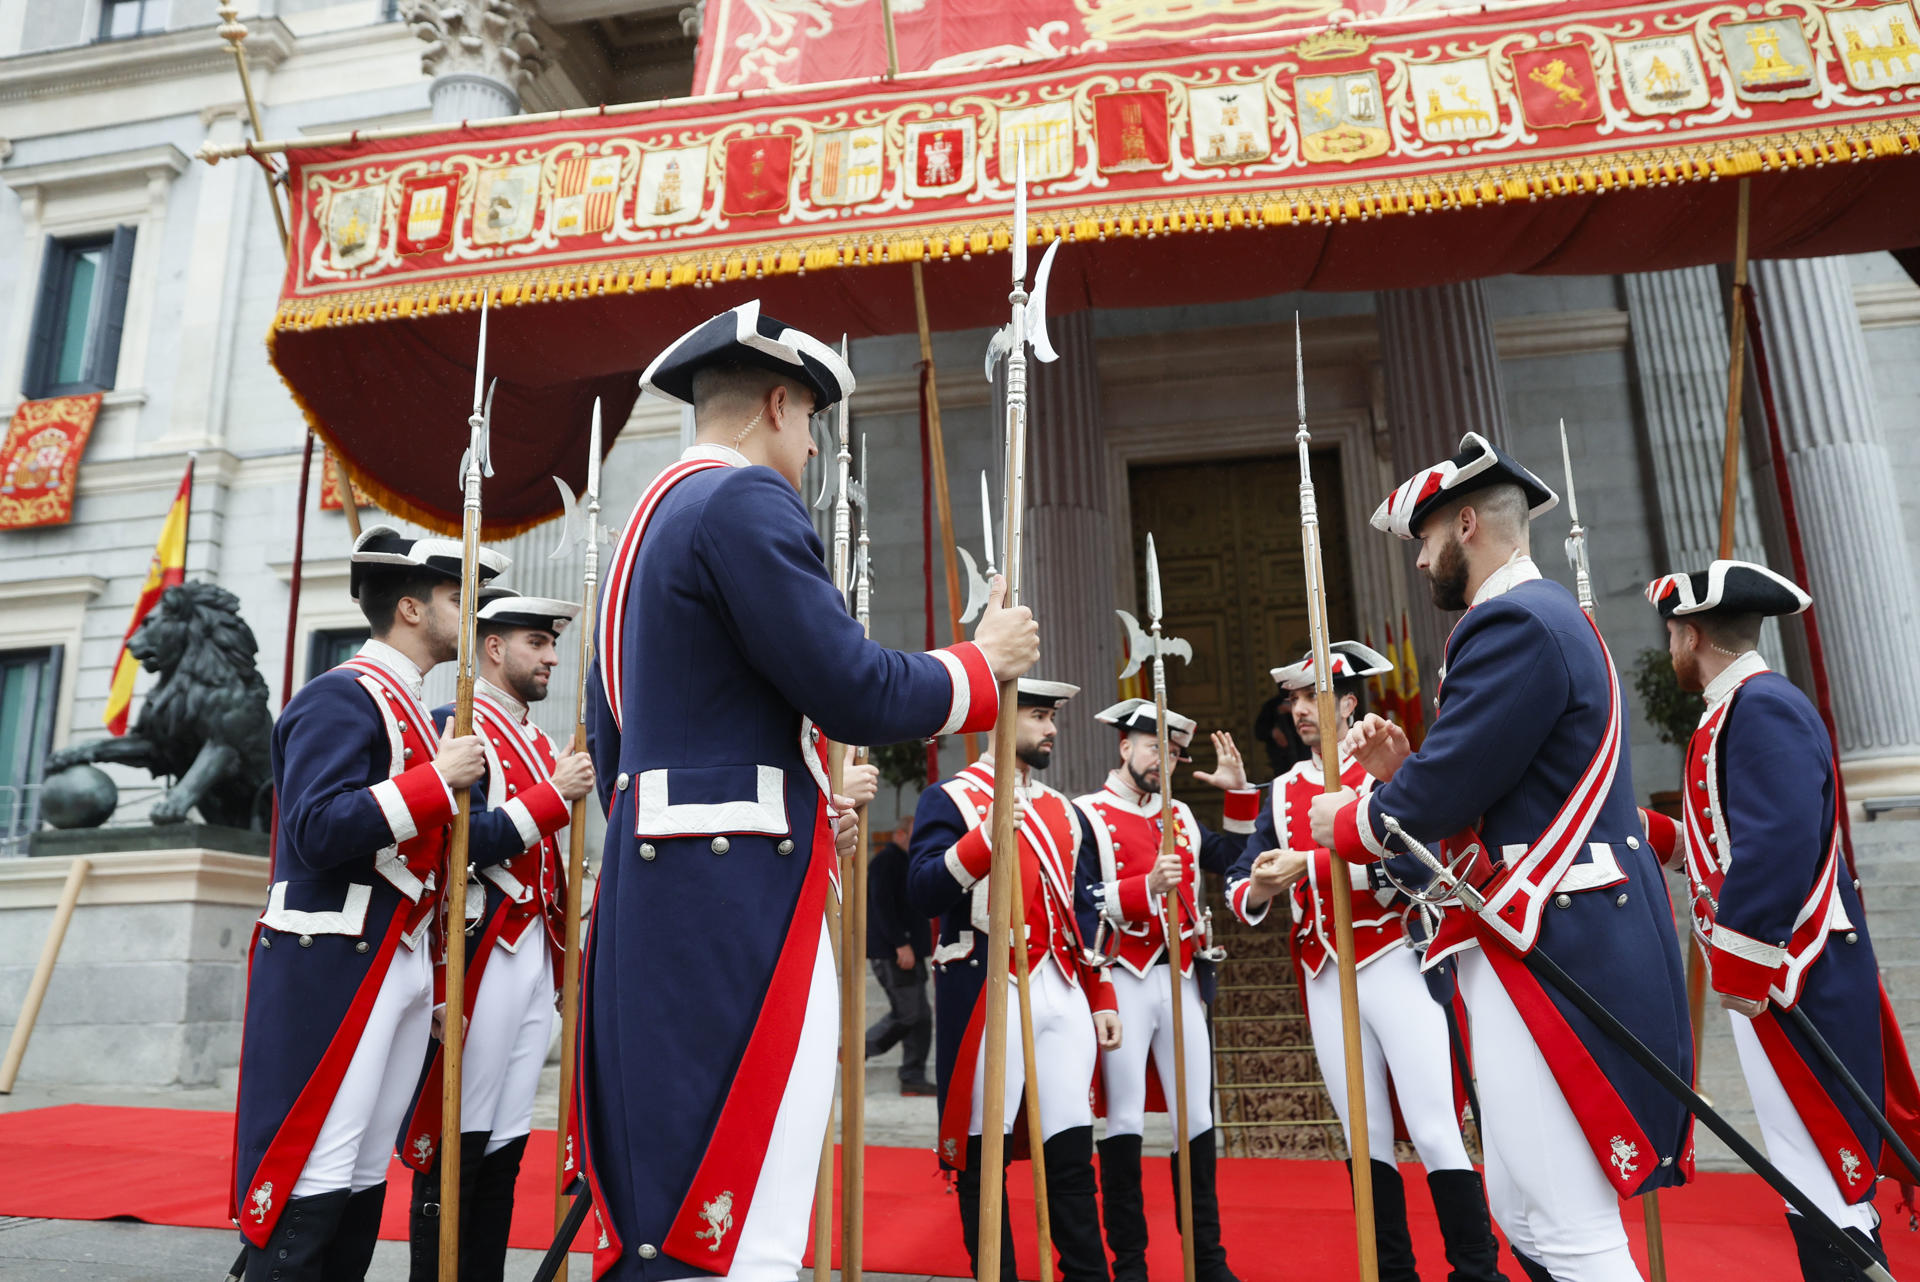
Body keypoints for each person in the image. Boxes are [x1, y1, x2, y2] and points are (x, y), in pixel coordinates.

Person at [581, 300, 1038, 1282]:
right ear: (780, 404)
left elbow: (611, 732)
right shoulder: (742, 502)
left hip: (665, 893)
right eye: (813, 422)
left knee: (674, 1202)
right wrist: (982, 662)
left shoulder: (644, 526)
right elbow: (851, 683)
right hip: (738, 901)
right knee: (748, 1214)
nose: (812, 446)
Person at [1308, 432, 1693, 1282]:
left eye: (1427, 541)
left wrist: (1348, 816)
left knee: (1567, 1229)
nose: (1419, 564)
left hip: (1553, 948)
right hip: (1542, 937)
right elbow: (1490, 789)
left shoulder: (1513, 622)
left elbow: (1442, 798)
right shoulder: (1545, 616)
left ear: (1469, 524)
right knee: (1525, 1214)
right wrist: (1406, 777)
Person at [230, 525, 507, 1281]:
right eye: (460, 597)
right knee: (316, 1168)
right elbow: (315, 830)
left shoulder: (413, 709)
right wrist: (434, 780)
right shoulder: (340, 696)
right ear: (412, 609)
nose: (476, 611)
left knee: (358, 1174)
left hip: (397, 961)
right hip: (339, 961)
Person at [1645, 560, 1920, 1280]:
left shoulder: (1760, 707)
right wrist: (1641, 830)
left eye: (1672, 631)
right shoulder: (1735, 707)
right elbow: (1725, 844)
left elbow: (1780, 842)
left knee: (1823, 1169)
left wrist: (1738, 962)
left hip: (1790, 977)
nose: (1669, 647)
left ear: (1692, 632)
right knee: (1807, 1168)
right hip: (1773, 973)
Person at [1228, 641, 1503, 1282]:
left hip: (1393, 960)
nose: (1298, 709)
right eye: (1293, 699)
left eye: (1310, 696)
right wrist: (1263, 888)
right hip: (1322, 974)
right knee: (1364, 1137)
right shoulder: (1282, 793)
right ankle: (1392, 1272)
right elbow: (1242, 883)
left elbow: (1416, 862)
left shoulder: (1388, 776)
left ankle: (1476, 1270)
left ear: (1348, 702)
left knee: (1435, 1128)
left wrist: (1314, 862)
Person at [398, 587, 596, 1282]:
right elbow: (458, 841)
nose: (549, 658)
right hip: (480, 950)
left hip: (534, 955)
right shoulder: (459, 722)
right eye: (536, 644)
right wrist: (552, 797)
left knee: (507, 1141)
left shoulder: (539, 739)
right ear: (493, 647)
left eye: (552, 645)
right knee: (458, 1138)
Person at [908, 678, 1121, 1282]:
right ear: (998, 720)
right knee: (984, 1161)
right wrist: (983, 840)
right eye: (1037, 715)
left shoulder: (1064, 812)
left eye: (1051, 716)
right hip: (989, 992)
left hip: (1061, 990)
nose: (1051, 728)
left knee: (1072, 1156)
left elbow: (1082, 912)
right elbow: (922, 891)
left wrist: (1101, 993)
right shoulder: (950, 799)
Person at [1072, 698, 1258, 1282]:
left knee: (1196, 1118)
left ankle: (1209, 1260)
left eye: (1174, 754)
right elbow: (1077, 900)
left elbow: (1231, 858)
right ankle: (1130, 1264)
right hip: (1121, 975)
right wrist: (1140, 886)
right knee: (1124, 1118)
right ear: (1124, 747)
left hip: (1181, 977)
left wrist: (1237, 794)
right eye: (1155, 748)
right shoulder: (1086, 815)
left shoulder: (1179, 817)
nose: (1165, 762)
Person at [867, 813, 935, 1095]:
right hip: (893, 952)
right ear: (900, 835)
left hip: (908, 951)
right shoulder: (887, 861)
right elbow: (882, 907)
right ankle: (860, 1047)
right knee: (909, 1013)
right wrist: (901, 944)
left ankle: (912, 1076)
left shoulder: (908, 861)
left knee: (921, 1018)